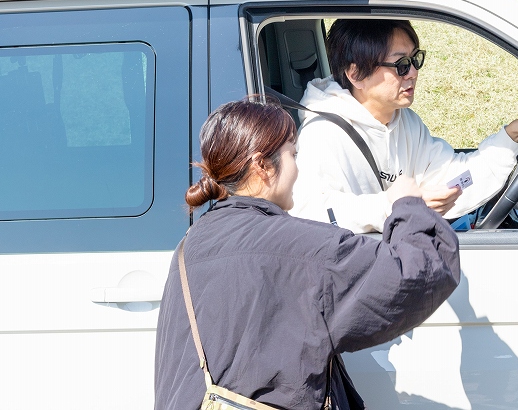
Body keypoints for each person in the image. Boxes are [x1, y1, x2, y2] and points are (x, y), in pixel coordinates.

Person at [155, 97, 460, 410]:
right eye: (293, 154)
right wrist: (407, 205)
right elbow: (419, 273)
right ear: (262, 165)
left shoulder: (189, 246)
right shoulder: (299, 247)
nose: (298, 169)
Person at [291, 19, 518, 234]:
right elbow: (310, 217)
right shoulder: (323, 135)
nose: (413, 72)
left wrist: (513, 133)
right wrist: (393, 206)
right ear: (356, 74)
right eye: (401, 65)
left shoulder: (405, 121)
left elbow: (454, 178)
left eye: (415, 59)